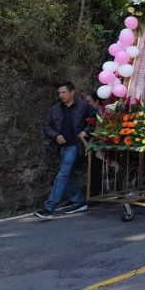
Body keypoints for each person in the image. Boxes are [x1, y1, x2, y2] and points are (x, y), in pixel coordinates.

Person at [35, 82, 96, 219]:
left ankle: (49, 207)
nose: (61, 95)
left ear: (72, 92)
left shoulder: (83, 106)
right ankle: (79, 202)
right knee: (69, 174)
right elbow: (47, 126)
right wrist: (56, 135)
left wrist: (86, 131)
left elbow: (95, 120)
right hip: (61, 147)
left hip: (76, 146)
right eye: (59, 93)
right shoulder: (55, 109)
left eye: (63, 92)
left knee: (63, 174)